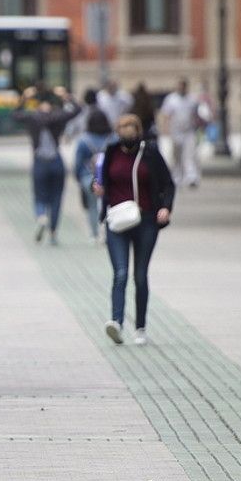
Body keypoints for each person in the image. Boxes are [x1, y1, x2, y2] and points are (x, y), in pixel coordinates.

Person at [94, 113, 175, 347]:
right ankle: (116, 322)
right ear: (117, 133)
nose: (126, 136)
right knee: (120, 273)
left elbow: (168, 183)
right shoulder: (110, 153)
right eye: (122, 131)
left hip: (146, 220)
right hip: (117, 221)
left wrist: (165, 208)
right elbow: (100, 180)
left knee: (140, 275)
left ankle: (140, 327)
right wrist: (96, 187)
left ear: (138, 132)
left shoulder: (149, 153)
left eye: (131, 130)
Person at [14, 85, 79, 245]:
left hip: (40, 161)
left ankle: (41, 216)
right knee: (56, 197)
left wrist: (24, 98)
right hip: (56, 161)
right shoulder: (57, 116)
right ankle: (53, 232)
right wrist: (65, 95)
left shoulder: (33, 118)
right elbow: (77, 110)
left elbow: (15, 114)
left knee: (39, 195)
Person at [73, 108, 113, 245]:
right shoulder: (112, 138)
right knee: (108, 205)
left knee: (92, 206)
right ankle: (108, 234)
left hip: (88, 177)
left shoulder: (84, 140)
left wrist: (78, 177)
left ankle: (94, 235)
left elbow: (78, 163)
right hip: (109, 178)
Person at [159, 78, 204, 189]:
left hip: (189, 131)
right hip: (176, 131)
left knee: (190, 155)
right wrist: (165, 129)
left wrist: (199, 127)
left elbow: (196, 115)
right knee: (176, 155)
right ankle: (177, 177)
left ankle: (191, 177)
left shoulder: (192, 99)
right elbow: (166, 115)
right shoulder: (171, 99)